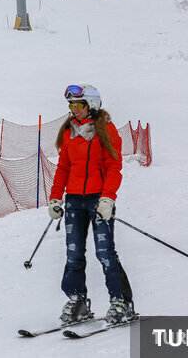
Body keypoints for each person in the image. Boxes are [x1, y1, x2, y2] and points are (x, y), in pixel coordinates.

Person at [48, 84, 136, 326]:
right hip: (74, 200)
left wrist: (108, 198)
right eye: (71, 105)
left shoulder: (105, 130)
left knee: (105, 253)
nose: (74, 109)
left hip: (99, 199)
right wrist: (56, 198)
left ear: (92, 104)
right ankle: (77, 300)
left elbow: (114, 167)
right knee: (73, 254)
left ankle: (121, 302)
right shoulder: (69, 132)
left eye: (79, 104)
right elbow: (63, 167)